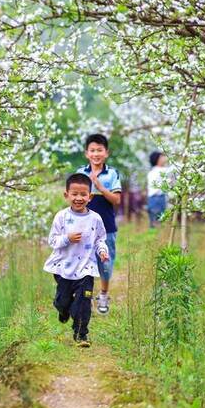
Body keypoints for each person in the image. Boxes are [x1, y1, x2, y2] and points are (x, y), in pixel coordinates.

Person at [43, 173, 109, 347]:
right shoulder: (61, 217)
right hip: (64, 267)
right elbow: (52, 241)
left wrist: (102, 251)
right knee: (63, 301)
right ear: (66, 195)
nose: (79, 198)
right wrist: (67, 238)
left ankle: (81, 334)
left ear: (90, 196)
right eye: (74, 194)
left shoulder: (95, 218)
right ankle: (63, 309)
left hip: (86, 268)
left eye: (83, 194)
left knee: (83, 302)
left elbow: (100, 239)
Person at [76, 134, 121, 315]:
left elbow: (116, 199)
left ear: (106, 153)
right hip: (84, 226)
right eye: (92, 150)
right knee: (83, 262)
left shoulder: (112, 173)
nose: (96, 154)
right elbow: (75, 199)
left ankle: (103, 294)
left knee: (105, 264)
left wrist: (100, 186)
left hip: (107, 227)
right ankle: (83, 296)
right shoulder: (81, 172)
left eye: (99, 150)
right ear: (87, 153)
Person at [147, 151, 170, 228]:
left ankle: (153, 238)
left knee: (155, 224)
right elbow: (174, 170)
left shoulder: (152, 171)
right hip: (157, 199)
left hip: (153, 199)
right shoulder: (160, 171)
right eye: (162, 157)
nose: (164, 158)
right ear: (158, 160)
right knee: (157, 224)